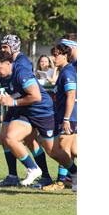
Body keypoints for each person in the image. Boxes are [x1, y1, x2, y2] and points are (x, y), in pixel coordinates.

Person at [0, 50, 57, 186]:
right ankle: (32, 169)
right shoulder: (3, 76)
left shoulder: (22, 72)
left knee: (53, 150)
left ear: (8, 63)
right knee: (10, 138)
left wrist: (13, 102)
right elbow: (17, 93)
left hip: (42, 111)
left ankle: (72, 174)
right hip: (26, 111)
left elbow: (36, 96)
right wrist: (4, 98)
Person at [42, 44, 78, 192]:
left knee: (59, 149)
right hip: (63, 116)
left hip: (70, 117)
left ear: (65, 55)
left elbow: (71, 95)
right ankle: (74, 178)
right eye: (53, 54)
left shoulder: (68, 72)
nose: (53, 57)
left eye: (56, 54)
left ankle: (74, 176)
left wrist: (66, 119)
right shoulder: (63, 72)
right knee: (73, 150)